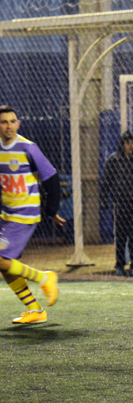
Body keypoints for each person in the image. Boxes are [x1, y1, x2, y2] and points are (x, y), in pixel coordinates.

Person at [0, 105, 63, 324]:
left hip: (24, 214)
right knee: (7, 266)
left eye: (12, 121)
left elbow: (51, 177)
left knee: (1, 260)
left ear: (18, 123)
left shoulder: (28, 148)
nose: (9, 126)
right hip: (6, 215)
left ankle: (45, 278)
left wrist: (51, 209)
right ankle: (36, 311)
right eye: (4, 122)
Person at [102, 130, 133, 277]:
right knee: (121, 236)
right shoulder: (113, 160)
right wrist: (104, 200)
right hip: (120, 204)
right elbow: (106, 182)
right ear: (122, 144)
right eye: (127, 143)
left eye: (132, 143)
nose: (130, 146)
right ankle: (120, 265)